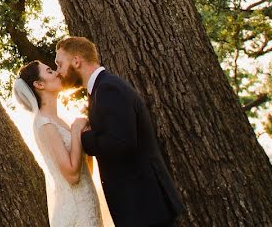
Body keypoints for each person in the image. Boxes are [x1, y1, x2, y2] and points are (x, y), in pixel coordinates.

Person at [54, 36, 183, 227]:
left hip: (145, 206)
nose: (58, 72)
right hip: (142, 206)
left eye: (59, 64)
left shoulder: (108, 88)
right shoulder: (100, 89)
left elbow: (121, 142)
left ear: (76, 61)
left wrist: (84, 136)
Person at [14, 60, 103, 227]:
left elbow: (84, 171)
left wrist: (82, 139)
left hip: (87, 204)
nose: (56, 73)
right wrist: (76, 132)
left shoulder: (59, 121)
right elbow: (72, 176)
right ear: (39, 84)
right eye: (49, 71)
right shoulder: (45, 124)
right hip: (76, 213)